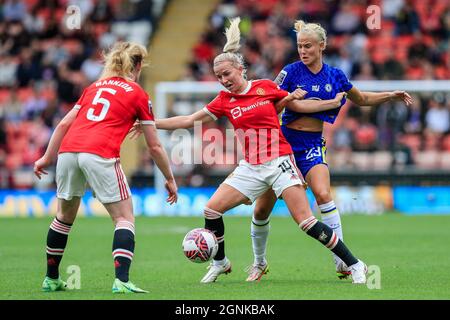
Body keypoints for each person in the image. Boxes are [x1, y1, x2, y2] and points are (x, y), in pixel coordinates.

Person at [153, 17, 367, 284]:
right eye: (219, 77)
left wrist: (300, 99)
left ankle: (355, 264)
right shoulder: (223, 100)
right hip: (251, 166)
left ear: (240, 70)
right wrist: (150, 123)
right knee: (211, 210)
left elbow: (287, 105)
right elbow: (188, 120)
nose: (224, 81)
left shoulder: (265, 87)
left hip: (280, 162)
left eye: (227, 75)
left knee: (305, 222)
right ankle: (221, 262)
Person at [246, 20, 413, 282]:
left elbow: (361, 99)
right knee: (261, 210)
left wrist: (389, 95)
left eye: (308, 46)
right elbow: (270, 106)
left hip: (312, 145)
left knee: (323, 193)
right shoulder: (290, 72)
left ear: (322, 46)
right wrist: (290, 101)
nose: (303, 50)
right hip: (284, 146)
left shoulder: (335, 76)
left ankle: (343, 262)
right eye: (300, 46)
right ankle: (259, 263)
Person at [33, 42, 178, 294]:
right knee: (123, 218)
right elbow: (154, 146)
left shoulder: (93, 87)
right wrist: (169, 178)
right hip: (99, 153)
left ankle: (51, 278)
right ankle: (121, 280)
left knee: (64, 217)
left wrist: (46, 157)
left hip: (68, 152)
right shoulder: (137, 93)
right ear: (138, 65)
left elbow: (64, 124)